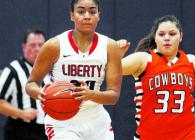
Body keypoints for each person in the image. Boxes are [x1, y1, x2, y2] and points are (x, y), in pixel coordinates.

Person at [25, 0, 122, 140]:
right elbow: (31, 84)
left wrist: (90, 95)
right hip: (62, 122)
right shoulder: (54, 45)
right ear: (72, 15)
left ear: (99, 15)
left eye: (92, 11)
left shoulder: (110, 46)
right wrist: (41, 93)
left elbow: (113, 96)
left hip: (97, 120)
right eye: (81, 11)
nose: (87, 16)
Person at [119, 15, 195, 140]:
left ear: (181, 37)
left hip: (189, 135)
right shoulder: (144, 59)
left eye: (172, 34)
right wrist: (117, 55)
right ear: (155, 38)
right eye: (161, 34)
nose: (167, 38)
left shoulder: (192, 62)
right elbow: (111, 70)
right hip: (150, 136)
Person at [0, 29, 50, 140]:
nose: (37, 49)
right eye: (32, 45)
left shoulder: (48, 71)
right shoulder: (13, 69)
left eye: (40, 45)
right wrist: (21, 113)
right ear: (24, 47)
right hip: (19, 130)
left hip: (43, 131)